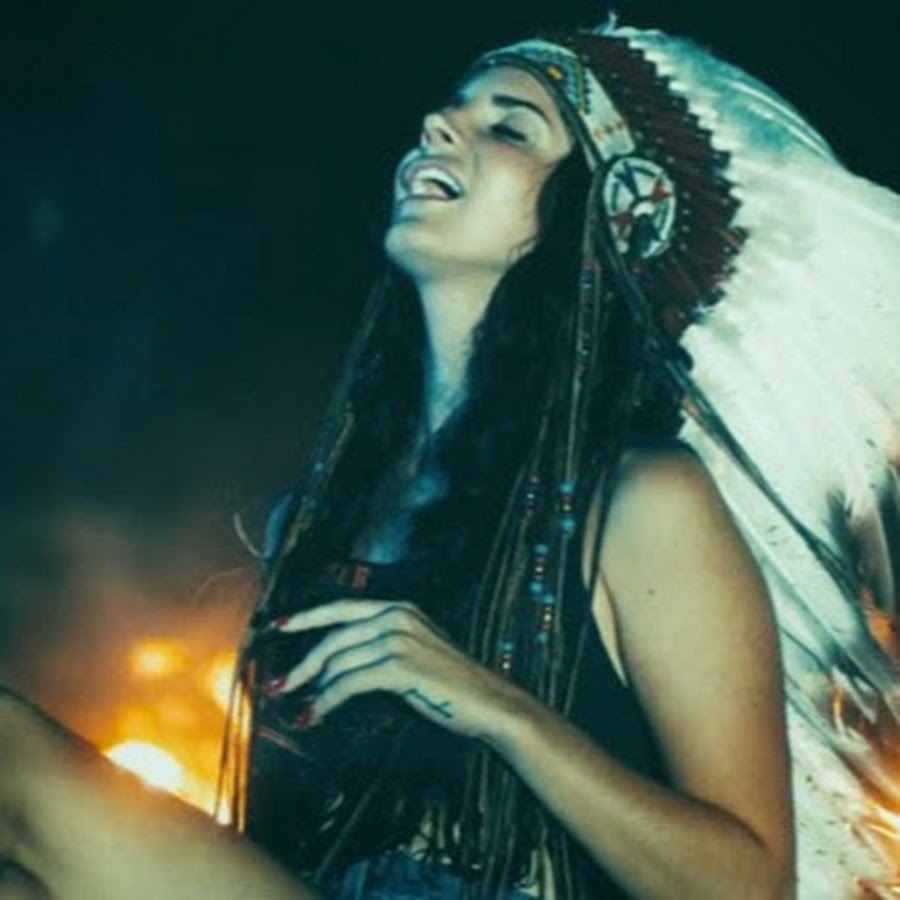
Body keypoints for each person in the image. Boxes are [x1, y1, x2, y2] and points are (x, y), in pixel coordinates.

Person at [1, 20, 897, 900]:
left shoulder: (642, 499)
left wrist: (495, 706)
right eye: (450, 110)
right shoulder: (317, 518)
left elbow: (748, 887)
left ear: (602, 214)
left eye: (509, 128)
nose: (437, 126)